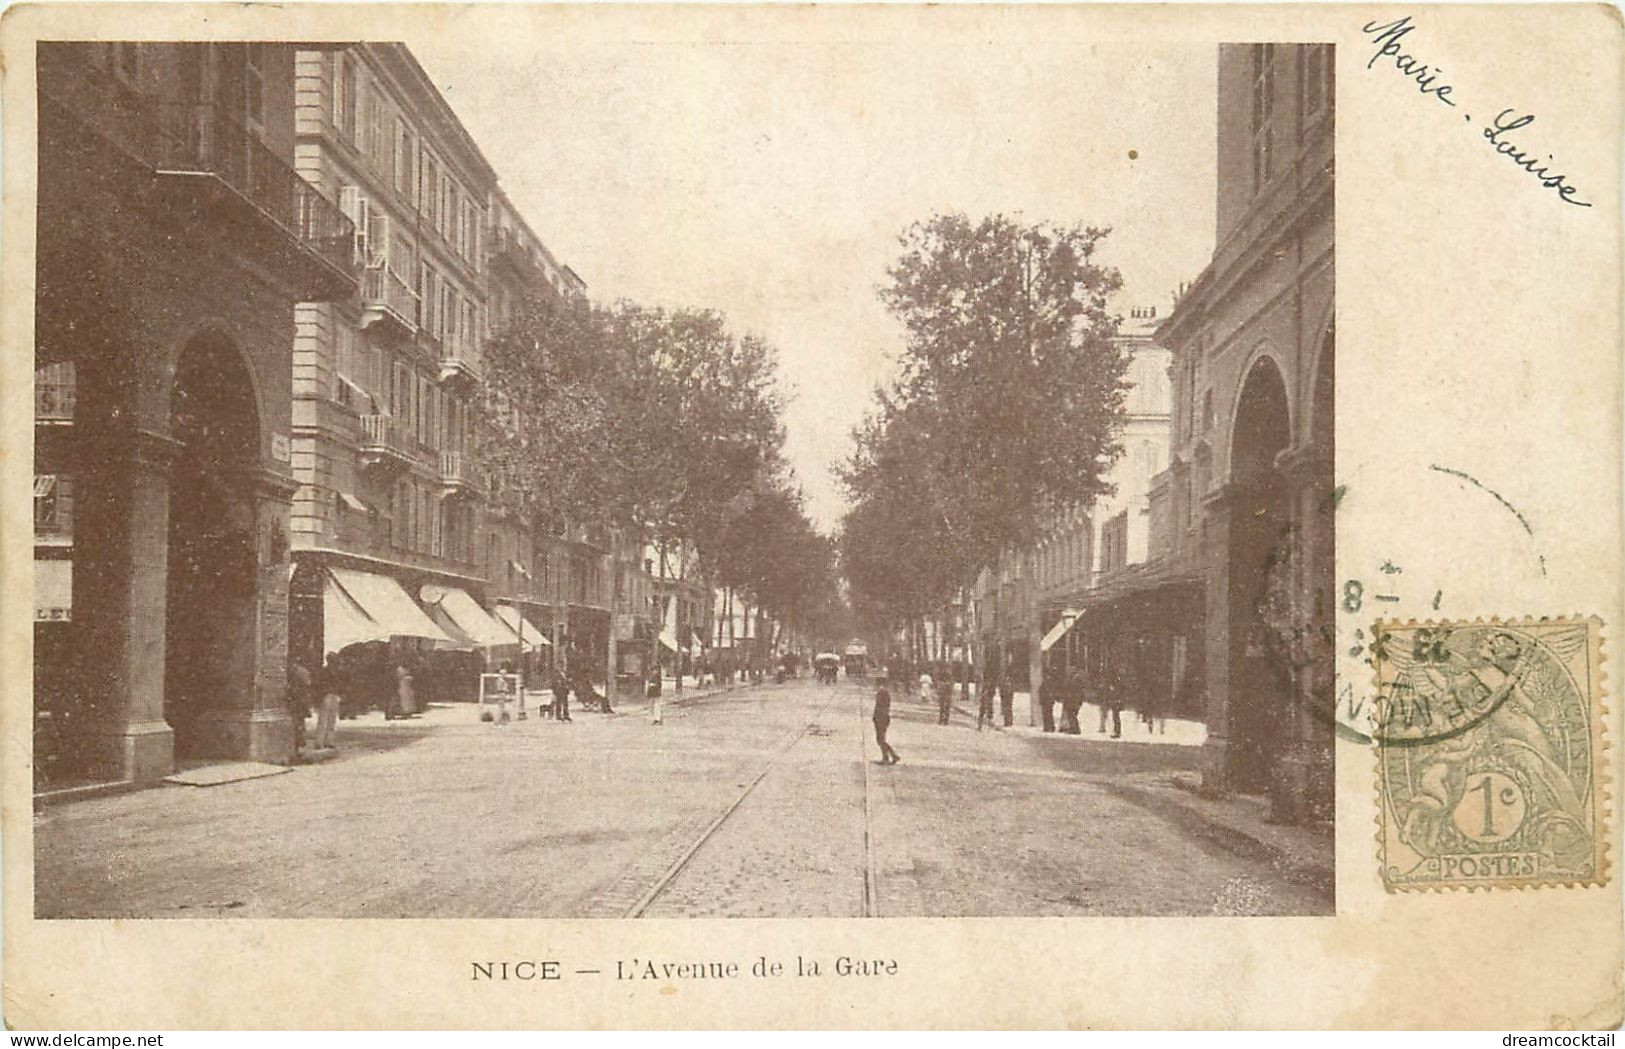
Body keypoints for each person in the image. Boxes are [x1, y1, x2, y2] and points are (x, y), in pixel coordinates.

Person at [312, 654, 342, 751]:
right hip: (328, 695)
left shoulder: (326, 671)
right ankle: (324, 741)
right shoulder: (330, 672)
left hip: (330, 695)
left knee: (327, 719)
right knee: (327, 720)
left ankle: (324, 741)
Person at [872, 677, 901, 765]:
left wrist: (876, 717)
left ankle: (890, 756)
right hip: (883, 717)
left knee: (880, 739)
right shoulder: (884, 692)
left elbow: (880, 707)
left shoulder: (882, 693)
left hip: (881, 717)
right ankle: (888, 757)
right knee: (881, 739)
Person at [287, 661, 312, 756]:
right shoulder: (304, 672)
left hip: (296, 702)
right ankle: (298, 747)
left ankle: (296, 747)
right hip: (301, 702)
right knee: (299, 725)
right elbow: (308, 684)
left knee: (297, 724)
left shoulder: (293, 672)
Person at [976, 666, 995, 730]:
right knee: (987, 711)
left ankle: (980, 725)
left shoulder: (986, 683)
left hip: (986, 698)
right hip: (987, 698)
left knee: (983, 711)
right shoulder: (990, 683)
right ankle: (985, 725)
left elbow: (984, 691)